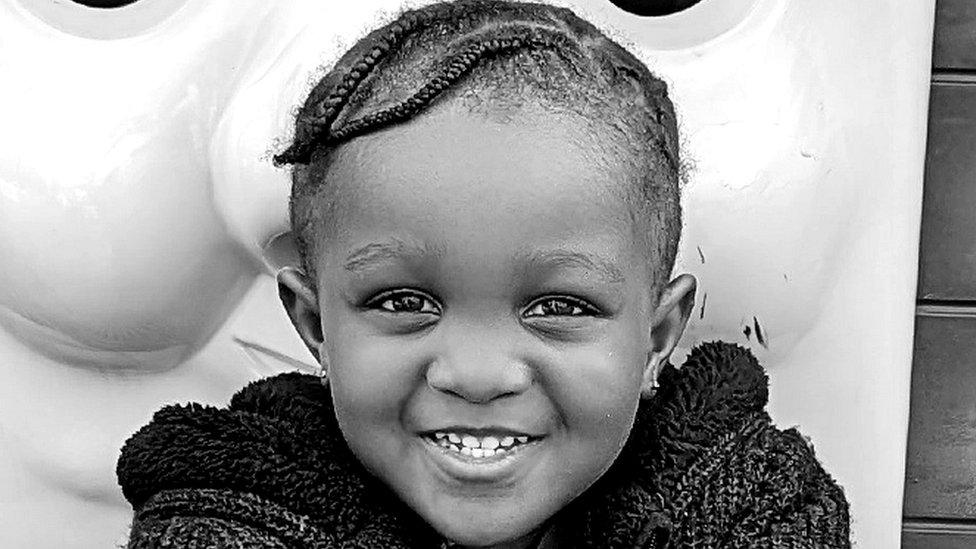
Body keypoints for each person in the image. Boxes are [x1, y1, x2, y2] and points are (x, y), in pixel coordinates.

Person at [116, 1, 850, 546]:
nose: (475, 374)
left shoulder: (750, 508)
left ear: (657, 333)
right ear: (315, 325)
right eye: (403, 300)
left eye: (558, 306)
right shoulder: (227, 514)